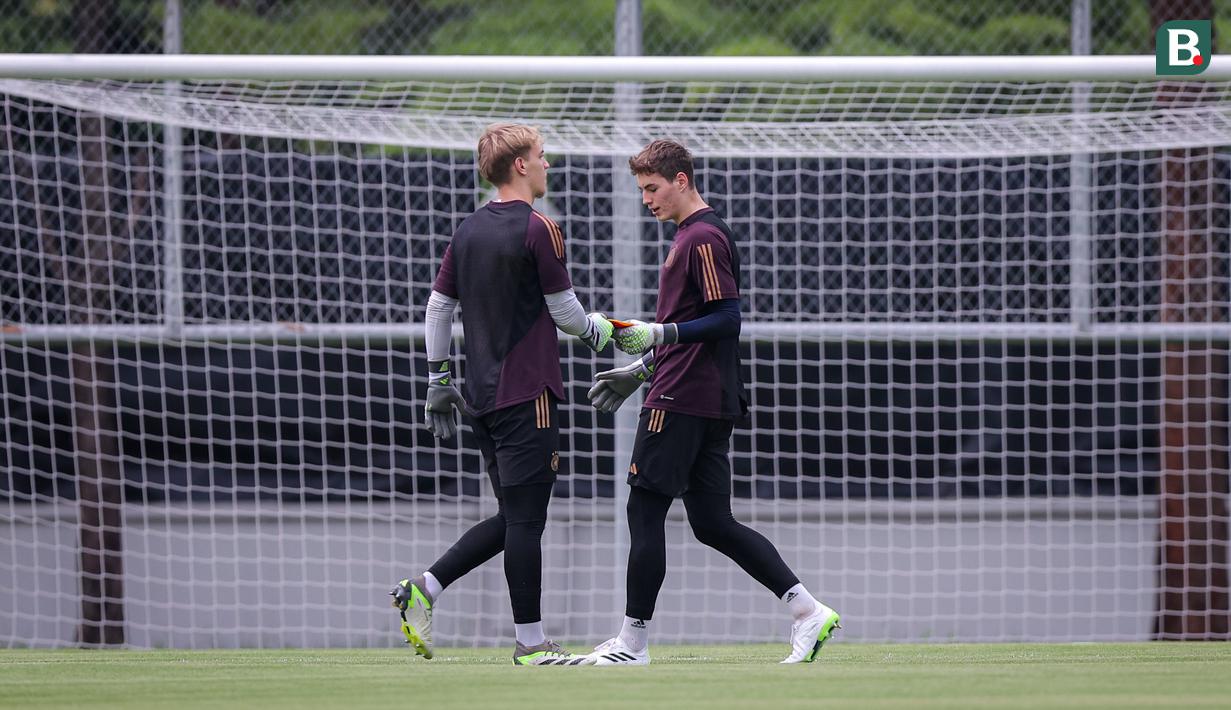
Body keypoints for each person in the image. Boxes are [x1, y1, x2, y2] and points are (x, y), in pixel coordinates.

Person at [585, 139, 840, 666]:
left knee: (644, 508)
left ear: (681, 180)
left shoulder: (702, 237)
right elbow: (698, 327)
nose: (647, 200)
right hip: (701, 395)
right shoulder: (694, 236)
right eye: (641, 190)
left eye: (652, 189)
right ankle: (806, 610)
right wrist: (642, 366)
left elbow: (727, 320)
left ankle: (632, 643)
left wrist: (657, 334)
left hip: (681, 400)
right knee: (712, 523)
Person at [391, 123, 613, 667]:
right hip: (528, 394)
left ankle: (427, 585)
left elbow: (437, 309)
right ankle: (531, 643)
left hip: (481, 398)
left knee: (515, 515)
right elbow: (564, 313)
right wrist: (598, 332)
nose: (546, 164)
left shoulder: (467, 230)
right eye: (540, 155)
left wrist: (437, 378)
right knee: (528, 521)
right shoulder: (540, 227)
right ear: (519, 165)